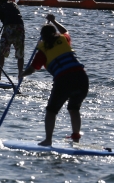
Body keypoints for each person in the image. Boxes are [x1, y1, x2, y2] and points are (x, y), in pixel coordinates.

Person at [23, 14, 89, 146]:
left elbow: (32, 69)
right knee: (74, 109)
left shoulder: (42, 51)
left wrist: (21, 75)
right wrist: (54, 21)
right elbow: (65, 31)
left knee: (51, 111)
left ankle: (48, 140)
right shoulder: (64, 39)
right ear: (55, 33)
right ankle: (76, 139)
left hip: (64, 80)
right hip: (82, 78)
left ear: (42, 37)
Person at [0, 0, 24, 81]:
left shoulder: (1, 7)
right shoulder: (14, 4)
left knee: (2, 53)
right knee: (20, 53)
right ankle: (20, 74)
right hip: (20, 27)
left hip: (9, 28)